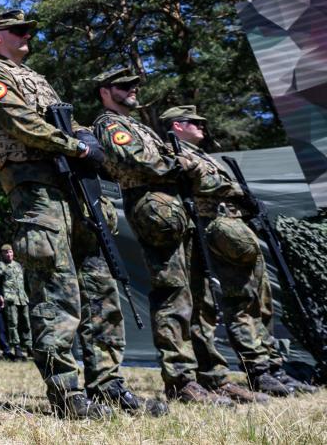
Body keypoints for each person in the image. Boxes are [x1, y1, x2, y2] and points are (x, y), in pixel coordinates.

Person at [0, 12, 160, 419]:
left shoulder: (37, 77)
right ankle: (67, 391)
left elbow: (70, 123)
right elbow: (19, 121)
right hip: (36, 185)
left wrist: (88, 135)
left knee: (99, 286)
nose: (28, 36)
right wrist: (74, 146)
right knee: (55, 285)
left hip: (73, 186)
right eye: (19, 31)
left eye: (30, 31)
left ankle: (108, 384)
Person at [92, 70, 266, 408]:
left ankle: (213, 377)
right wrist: (182, 162)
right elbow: (140, 160)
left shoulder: (139, 125)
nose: (133, 90)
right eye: (124, 86)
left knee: (201, 297)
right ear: (105, 92)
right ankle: (181, 379)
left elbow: (176, 165)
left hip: (177, 210)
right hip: (153, 209)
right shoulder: (110, 124)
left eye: (134, 85)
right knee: (173, 295)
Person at [162, 105, 317, 397]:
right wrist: (236, 191)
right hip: (216, 230)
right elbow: (203, 183)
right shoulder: (175, 152)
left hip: (234, 229)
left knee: (261, 299)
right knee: (242, 299)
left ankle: (272, 365)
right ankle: (258, 369)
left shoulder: (202, 155)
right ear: (177, 126)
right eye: (194, 122)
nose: (201, 126)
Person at [0, 243, 31, 359]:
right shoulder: (0, 266)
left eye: (10, 252)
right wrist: (0, 296)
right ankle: (17, 348)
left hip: (22, 298)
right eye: (6, 252)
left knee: (26, 323)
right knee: (13, 324)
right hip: (10, 299)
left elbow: (24, 282)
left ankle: (29, 347)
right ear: (2, 254)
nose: (9, 254)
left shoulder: (18, 265)